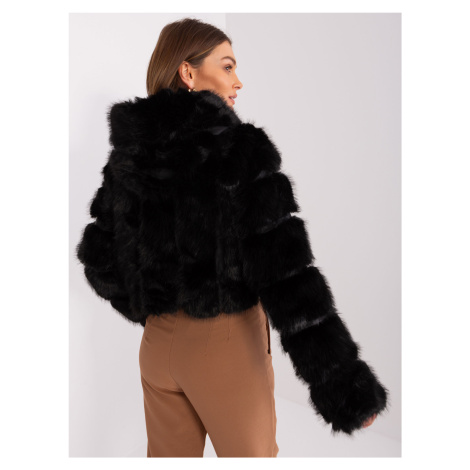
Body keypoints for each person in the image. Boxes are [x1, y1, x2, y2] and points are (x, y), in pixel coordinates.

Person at [75, 17, 389, 458]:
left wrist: (157, 309)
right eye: (227, 66)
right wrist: (342, 385)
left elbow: (98, 258)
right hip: (224, 347)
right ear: (188, 72)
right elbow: (289, 278)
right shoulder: (239, 150)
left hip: (158, 348)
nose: (238, 81)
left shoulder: (128, 156)